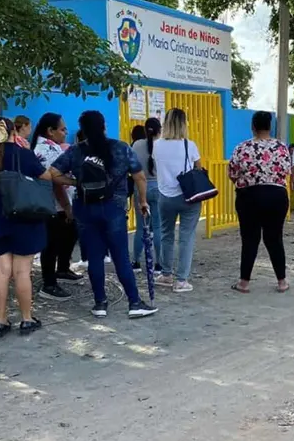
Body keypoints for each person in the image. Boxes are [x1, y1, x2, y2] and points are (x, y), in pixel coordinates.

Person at [49, 110, 158, 319]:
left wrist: (75, 182)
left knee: (95, 257)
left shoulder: (76, 151)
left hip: (84, 207)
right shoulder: (120, 147)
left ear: (83, 129)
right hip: (113, 208)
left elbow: (53, 173)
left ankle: (100, 304)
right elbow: (140, 177)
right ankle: (134, 303)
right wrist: (143, 201)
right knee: (121, 258)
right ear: (103, 126)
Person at [0, 117, 61, 337]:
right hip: (25, 220)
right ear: (13, 133)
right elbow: (47, 177)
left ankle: (1, 321)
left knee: (1, 271)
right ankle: (26, 319)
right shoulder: (25, 155)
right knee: (22, 271)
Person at [228, 111, 291, 294]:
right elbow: (287, 171)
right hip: (277, 196)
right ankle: (282, 281)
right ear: (269, 126)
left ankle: (244, 282)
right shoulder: (281, 147)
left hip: (249, 196)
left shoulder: (242, 147)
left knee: (249, 239)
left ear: (253, 126)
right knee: (275, 238)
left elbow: (232, 173)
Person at [31, 113, 81, 302]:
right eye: (62, 129)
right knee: (52, 243)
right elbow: (55, 181)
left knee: (69, 234)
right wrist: (67, 206)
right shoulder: (47, 150)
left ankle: (62, 269)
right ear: (50, 131)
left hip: (58, 203)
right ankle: (49, 283)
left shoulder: (50, 147)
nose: (65, 133)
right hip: (54, 205)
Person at [151, 109, 202, 293]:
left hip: (165, 196)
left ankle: (166, 274)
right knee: (186, 237)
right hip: (189, 197)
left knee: (166, 234)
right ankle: (181, 280)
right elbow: (198, 168)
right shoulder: (190, 145)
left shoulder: (157, 145)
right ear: (184, 123)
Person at [131, 117, 165, 275]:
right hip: (158, 189)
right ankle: (158, 264)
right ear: (159, 130)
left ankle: (136, 262)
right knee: (158, 227)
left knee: (140, 228)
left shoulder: (136, 145)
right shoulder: (163, 145)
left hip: (140, 188)